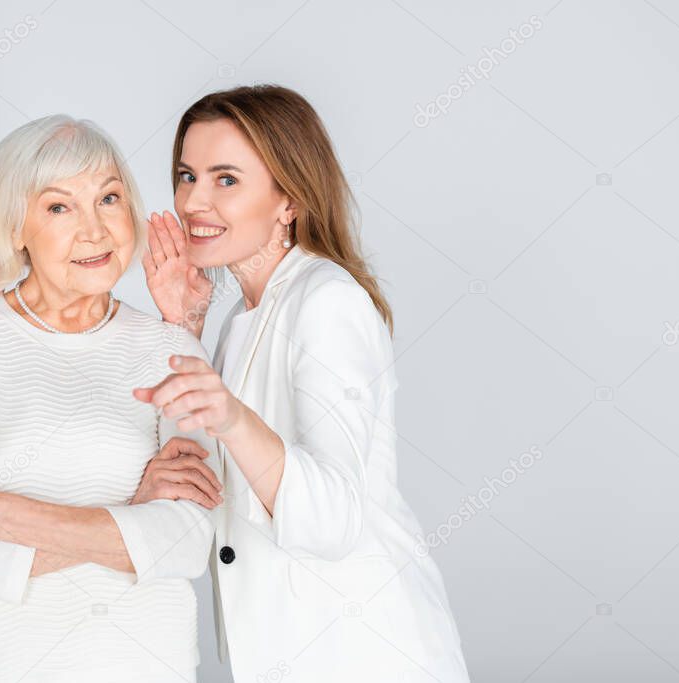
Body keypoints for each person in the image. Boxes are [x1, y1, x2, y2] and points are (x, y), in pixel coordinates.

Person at [134, 84, 471, 682]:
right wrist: (182, 327)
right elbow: (202, 479)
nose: (192, 201)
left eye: (225, 179)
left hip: (364, 654)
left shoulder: (328, 300)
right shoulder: (240, 319)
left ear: (287, 199)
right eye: (186, 176)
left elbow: (333, 518)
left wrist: (234, 417)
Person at [0, 115, 221, 683]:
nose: (95, 230)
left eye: (110, 198)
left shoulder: (171, 346)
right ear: (15, 226)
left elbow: (189, 543)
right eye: (58, 207)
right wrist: (135, 520)